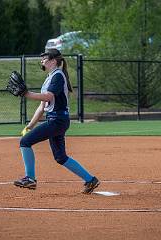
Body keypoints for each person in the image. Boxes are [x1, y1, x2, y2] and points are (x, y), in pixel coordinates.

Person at [14, 48, 100, 194]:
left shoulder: (58, 76)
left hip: (57, 120)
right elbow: (42, 107)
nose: (42, 60)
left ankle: (30, 178)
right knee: (60, 157)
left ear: (53, 61)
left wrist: (27, 94)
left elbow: (47, 97)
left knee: (25, 142)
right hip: (56, 120)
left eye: (45, 58)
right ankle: (90, 180)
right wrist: (30, 125)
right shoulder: (50, 77)